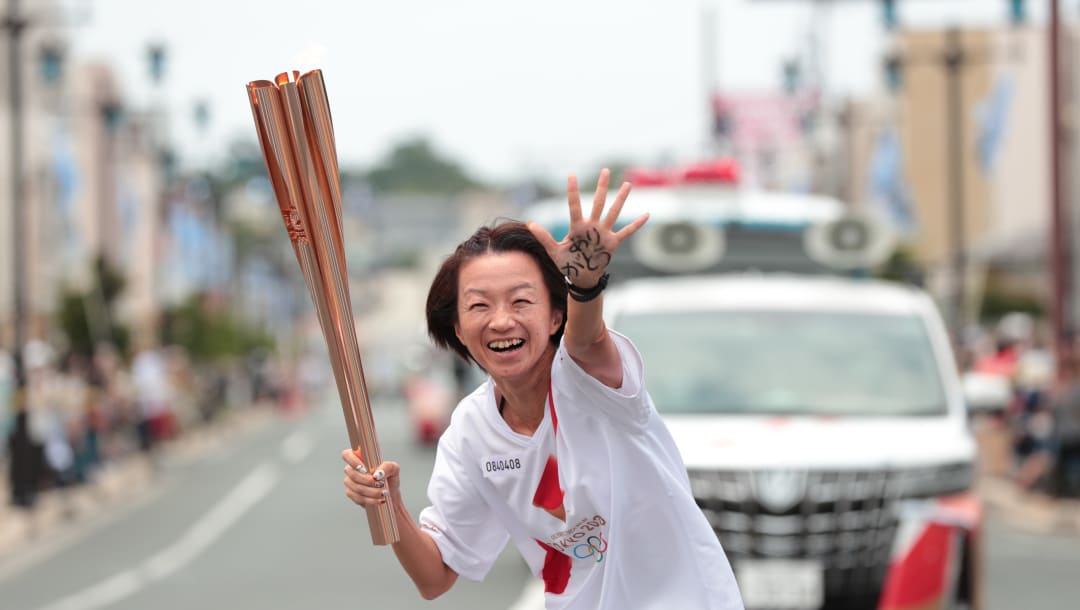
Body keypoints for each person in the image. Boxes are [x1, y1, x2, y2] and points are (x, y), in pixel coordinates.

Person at [342, 170, 744, 609]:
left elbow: (587, 339)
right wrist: (389, 504)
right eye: (479, 305)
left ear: (555, 317)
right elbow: (434, 576)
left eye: (521, 301)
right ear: (457, 328)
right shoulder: (470, 432)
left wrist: (585, 285)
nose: (501, 321)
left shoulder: (592, 381)